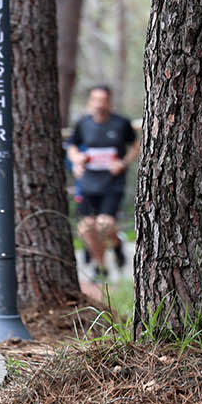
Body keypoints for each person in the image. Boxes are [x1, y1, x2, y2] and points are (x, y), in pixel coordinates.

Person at [65, 83, 138, 286]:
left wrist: (123, 163)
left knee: (105, 224)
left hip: (112, 183)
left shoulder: (121, 123)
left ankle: (117, 244)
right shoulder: (83, 123)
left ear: (109, 102)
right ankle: (101, 267)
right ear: (90, 102)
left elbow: (136, 145)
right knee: (87, 227)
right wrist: (77, 160)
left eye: (103, 100)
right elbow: (71, 146)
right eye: (95, 100)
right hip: (88, 183)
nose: (99, 104)